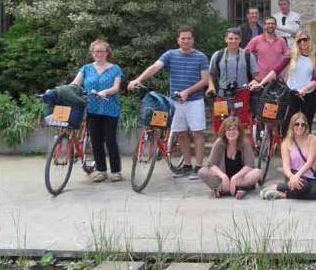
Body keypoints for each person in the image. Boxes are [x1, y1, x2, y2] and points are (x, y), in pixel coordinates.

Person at [128, 26, 209, 179]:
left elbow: (205, 80)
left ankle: (198, 167)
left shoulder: (201, 57)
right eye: (183, 38)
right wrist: (138, 80)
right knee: (181, 133)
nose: (186, 41)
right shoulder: (170, 55)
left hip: (194, 101)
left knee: (197, 133)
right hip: (175, 102)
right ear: (178, 40)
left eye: (188, 38)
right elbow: (154, 68)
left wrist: (187, 91)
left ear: (193, 40)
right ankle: (186, 165)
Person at [70, 39, 124, 183]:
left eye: (101, 51)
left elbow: (116, 87)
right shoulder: (86, 68)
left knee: (110, 139)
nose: (98, 54)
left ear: (107, 53)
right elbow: (75, 84)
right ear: (92, 52)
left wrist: (106, 91)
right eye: (96, 51)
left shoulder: (115, 69)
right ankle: (101, 171)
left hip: (110, 109)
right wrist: (65, 91)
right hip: (92, 109)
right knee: (96, 140)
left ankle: (116, 171)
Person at [252, 29, 316, 133]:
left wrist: (303, 90)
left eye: (304, 39)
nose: (302, 43)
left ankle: (305, 147)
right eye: (299, 41)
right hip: (291, 93)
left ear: (309, 40)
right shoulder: (292, 55)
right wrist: (261, 83)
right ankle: (286, 146)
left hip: (308, 94)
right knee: (287, 123)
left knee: (307, 123)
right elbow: (276, 70)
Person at [260, 112, 316, 200]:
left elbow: (310, 161)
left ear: (306, 126)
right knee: (303, 185)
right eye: (297, 124)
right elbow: (286, 165)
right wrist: (292, 176)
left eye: (303, 124)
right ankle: (279, 187)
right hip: (293, 174)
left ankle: (280, 193)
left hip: (309, 175)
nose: (300, 127)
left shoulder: (312, 139)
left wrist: (298, 175)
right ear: (292, 126)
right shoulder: (286, 143)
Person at [198, 116, 262, 199]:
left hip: (240, 178)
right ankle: (236, 190)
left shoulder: (244, 142)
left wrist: (235, 178)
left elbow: (249, 165)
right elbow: (211, 164)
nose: (231, 132)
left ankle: (223, 190)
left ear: (239, 131)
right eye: (228, 130)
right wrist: (223, 176)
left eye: (234, 129)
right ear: (224, 132)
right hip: (223, 178)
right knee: (202, 172)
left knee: (257, 172)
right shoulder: (219, 143)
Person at [206, 28, 259, 97]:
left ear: (240, 40)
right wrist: (211, 86)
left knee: (243, 108)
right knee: (220, 108)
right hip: (222, 93)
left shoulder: (248, 56)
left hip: (242, 93)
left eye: (236, 38)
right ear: (226, 39)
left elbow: (256, 76)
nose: (233, 41)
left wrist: (255, 81)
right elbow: (210, 74)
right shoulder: (218, 55)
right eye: (230, 38)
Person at [245, 16, 290, 83]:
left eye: (273, 24)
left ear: (276, 26)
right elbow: (246, 54)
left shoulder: (281, 41)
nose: (270, 25)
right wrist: (253, 72)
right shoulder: (256, 40)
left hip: (277, 79)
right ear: (264, 26)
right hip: (261, 78)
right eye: (268, 23)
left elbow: (287, 58)